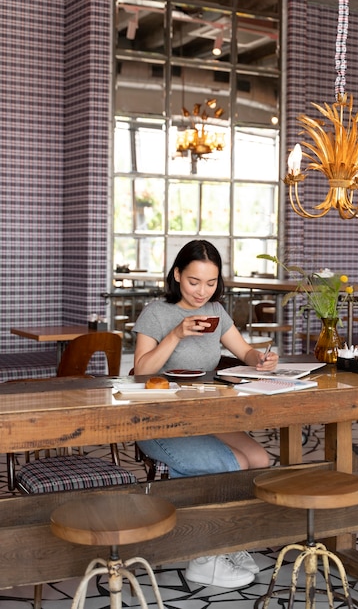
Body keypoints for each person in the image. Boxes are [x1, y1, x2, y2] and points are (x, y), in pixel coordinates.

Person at [133, 239, 278, 589]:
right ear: (177, 274)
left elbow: (243, 351)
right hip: (159, 422)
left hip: (205, 417)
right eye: (194, 281)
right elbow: (139, 371)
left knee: (259, 459)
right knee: (233, 464)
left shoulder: (216, 311)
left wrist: (260, 359)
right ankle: (205, 555)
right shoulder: (156, 312)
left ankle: (230, 542)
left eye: (211, 283)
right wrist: (176, 334)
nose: (202, 291)